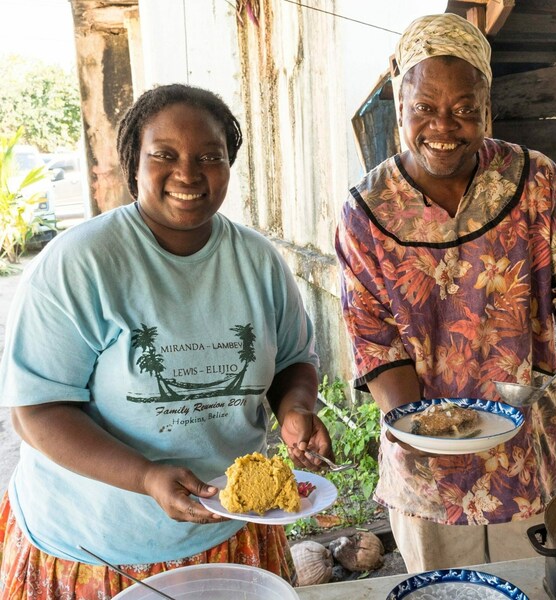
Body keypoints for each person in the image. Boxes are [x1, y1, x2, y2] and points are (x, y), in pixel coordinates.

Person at [0, 83, 331, 598]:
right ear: (134, 161)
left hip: (229, 528)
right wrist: (145, 476)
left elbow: (292, 361)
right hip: (98, 547)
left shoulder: (258, 261)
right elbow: (36, 411)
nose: (188, 173)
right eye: (165, 155)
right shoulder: (80, 263)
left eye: (209, 156)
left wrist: (295, 407)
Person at [335, 13, 556, 572]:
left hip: (528, 454)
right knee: (444, 589)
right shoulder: (365, 212)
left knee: (534, 583)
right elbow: (374, 339)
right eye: (425, 107)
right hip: (427, 477)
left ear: (488, 109)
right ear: (400, 104)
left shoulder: (534, 179)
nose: (444, 126)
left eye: (466, 109)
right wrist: (421, 430)